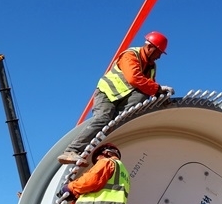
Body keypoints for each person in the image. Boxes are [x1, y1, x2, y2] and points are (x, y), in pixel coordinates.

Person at [59, 31, 174, 164]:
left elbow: (149, 86)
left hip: (123, 98)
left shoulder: (151, 67)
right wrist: (158, 89)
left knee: (118, 124)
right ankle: (71, 151)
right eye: (159, 52)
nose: (159, 56)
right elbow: (134, 78)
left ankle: (101, 150)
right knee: (103, 119)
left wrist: (161, 97)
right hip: (107, 93)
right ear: (150, 47)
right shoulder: (131, 55)